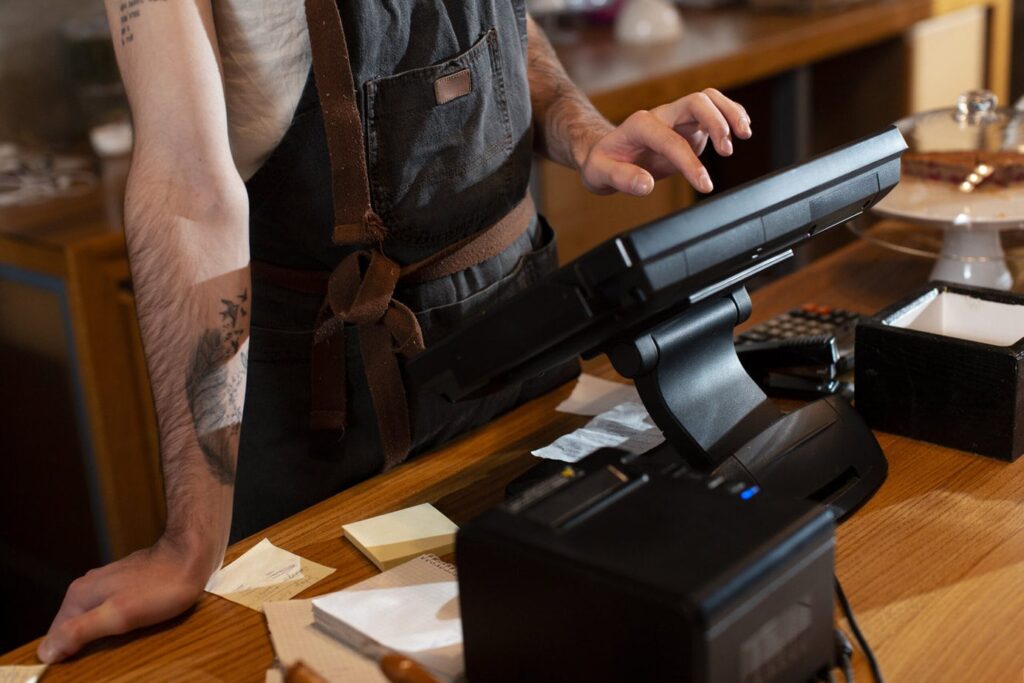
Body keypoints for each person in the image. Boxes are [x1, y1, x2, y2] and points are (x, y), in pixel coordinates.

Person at [38, 0, 751, 664]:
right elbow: (188, 190)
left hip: (521, 342)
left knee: (581, 634)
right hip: (329, 413)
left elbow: (510, 30)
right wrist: (189, 541)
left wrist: (587, 134)